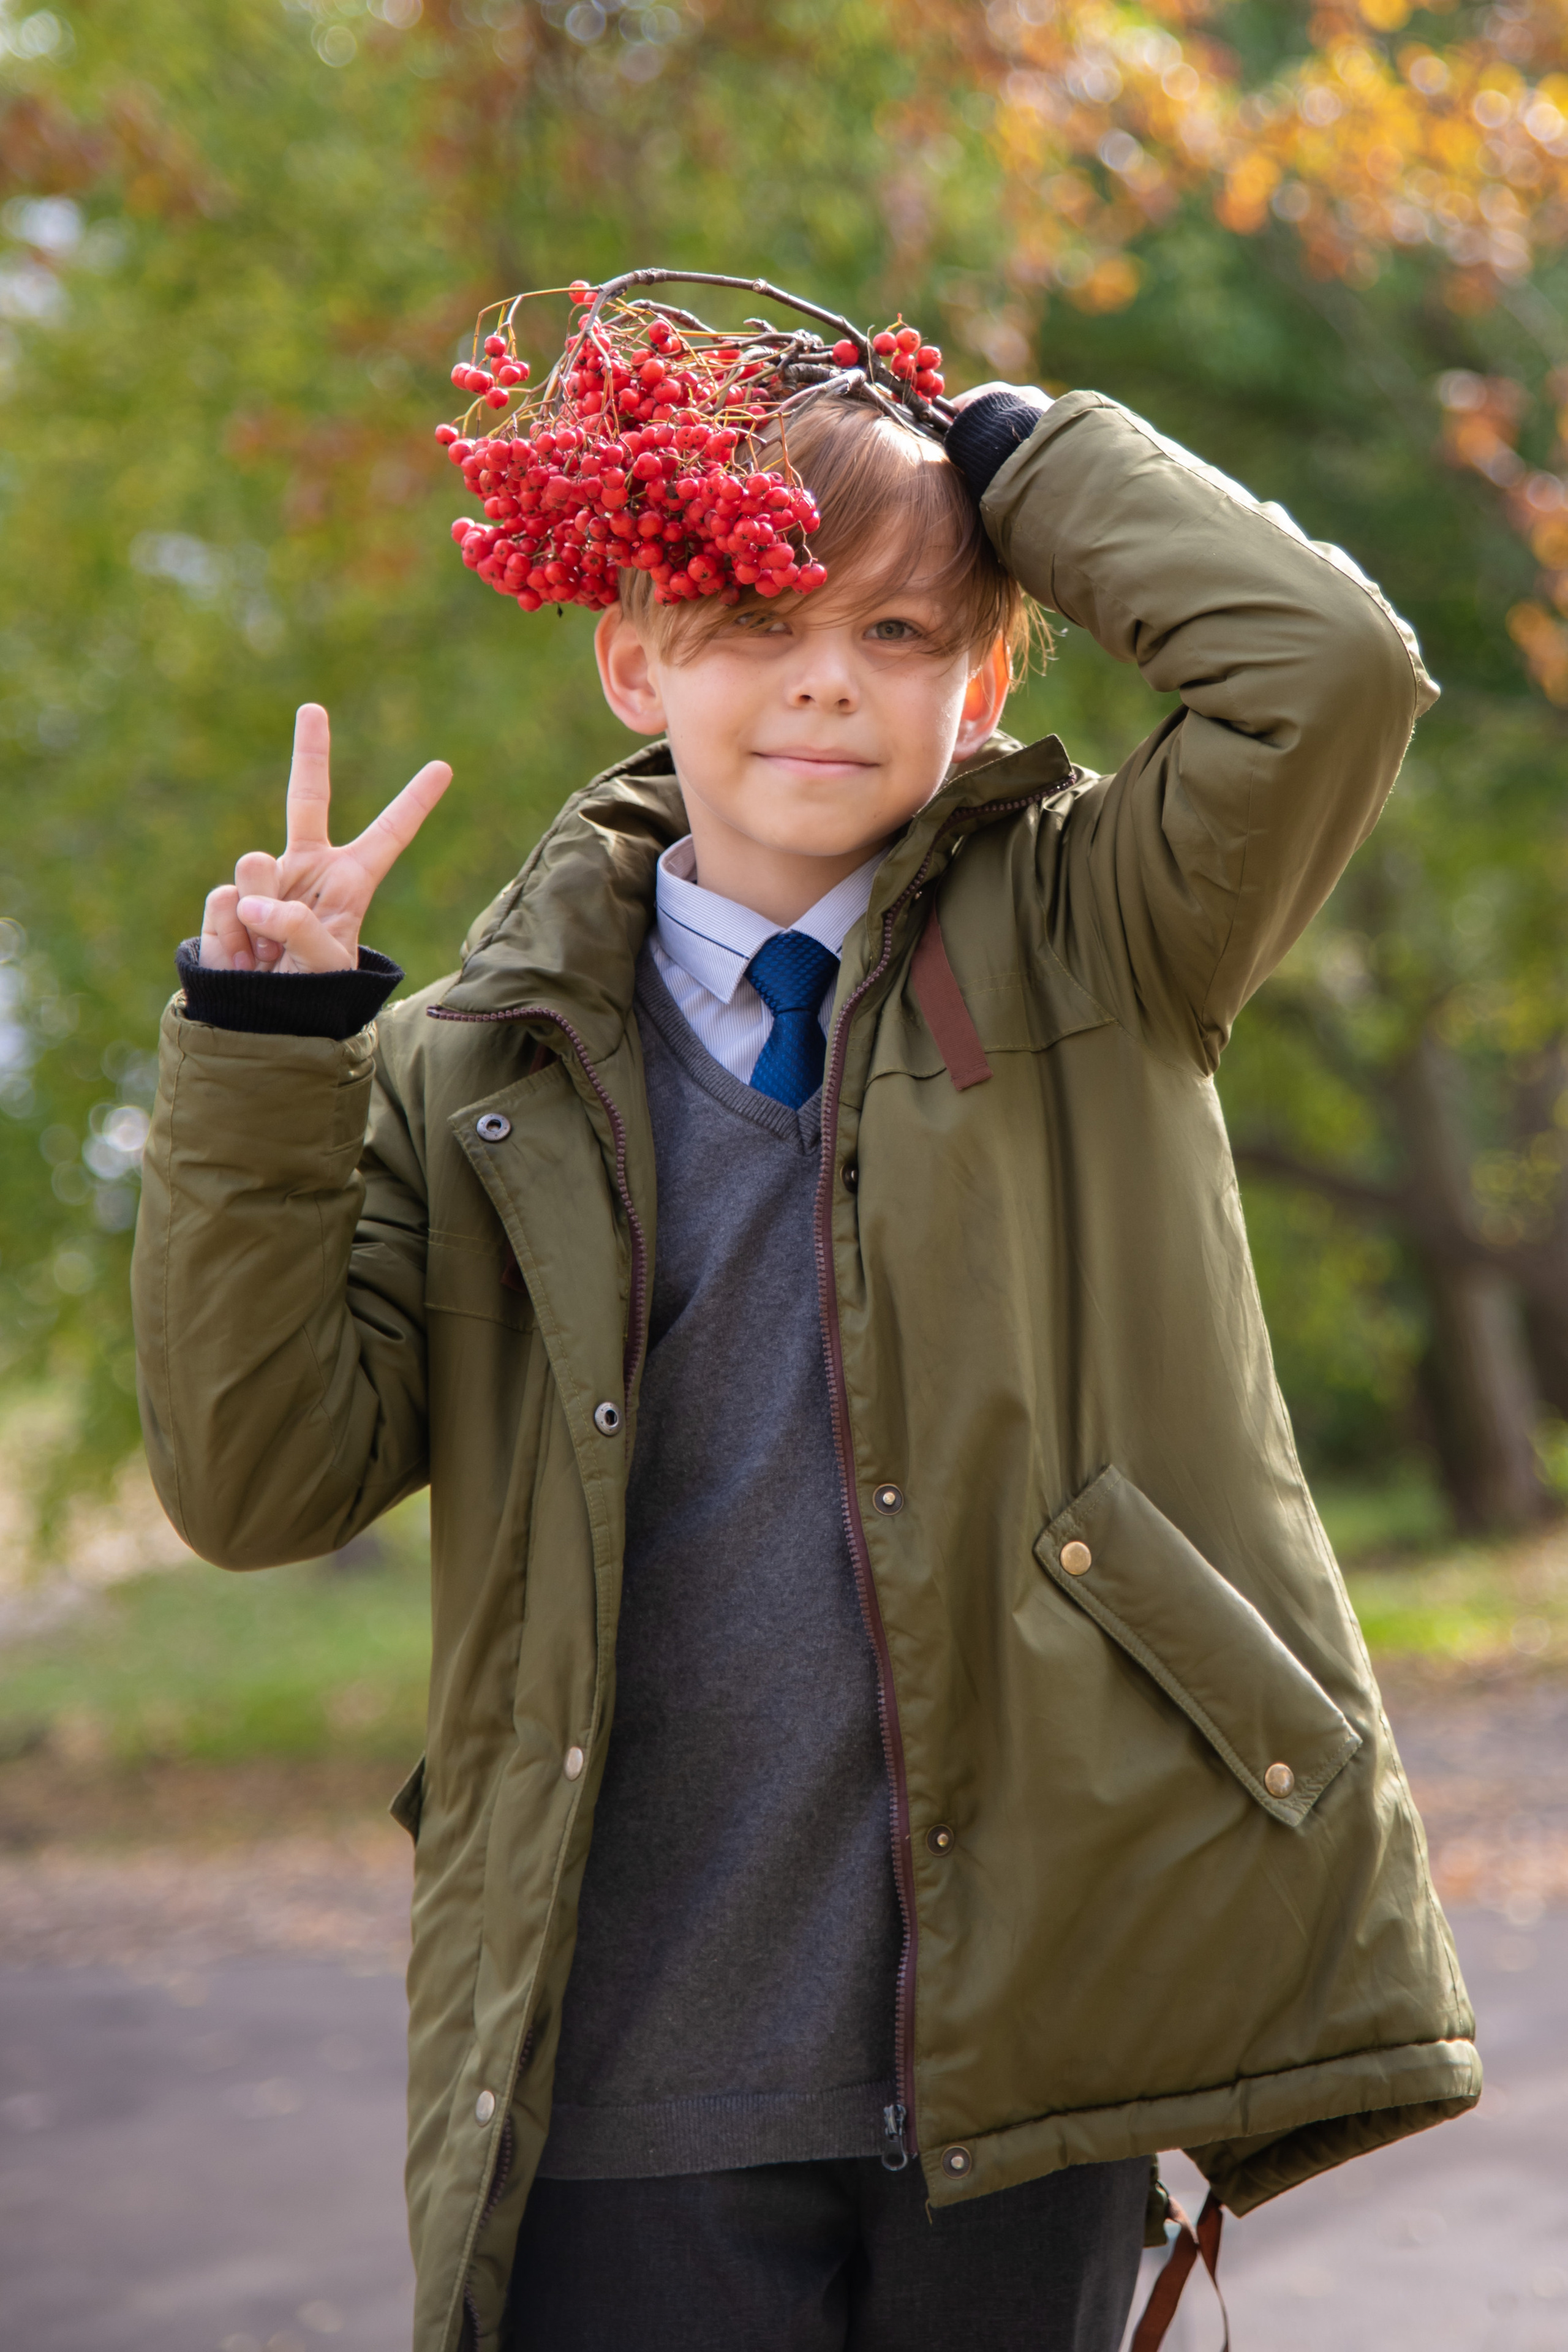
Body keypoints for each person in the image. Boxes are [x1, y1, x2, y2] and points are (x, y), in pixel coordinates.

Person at [132, 373, 1480, 2352]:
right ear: (632, 659)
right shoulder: (455, 1069)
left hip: (1034, 2045)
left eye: (902, 629)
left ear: (988, 666)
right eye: (761, 620)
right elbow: (255, 1489)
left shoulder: (1104, 936)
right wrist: (268, 1058)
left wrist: (1029, 459)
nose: (827, 683)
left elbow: (1333, 669)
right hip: (628, 2066)